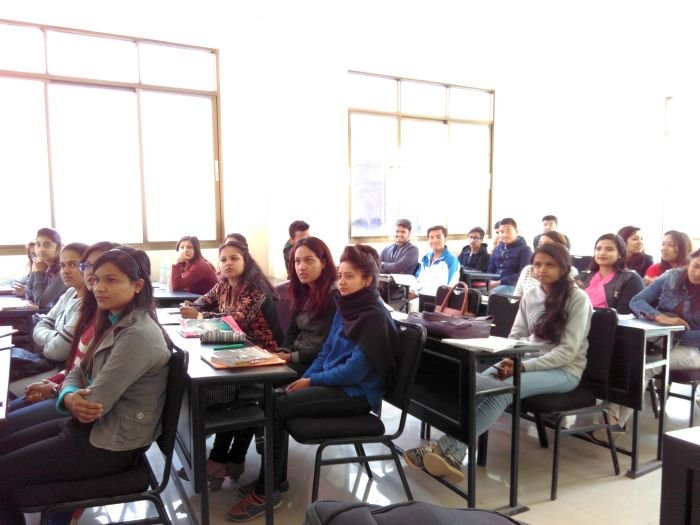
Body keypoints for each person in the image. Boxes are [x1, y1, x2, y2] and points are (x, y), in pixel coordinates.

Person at [226, 244, 399, 522]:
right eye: (340, 275)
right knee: (275, 399)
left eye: (350, 276)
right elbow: (326, 352)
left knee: (277, 406)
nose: (342, 282)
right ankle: (274, 481)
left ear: (367, 280)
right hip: (334, 383)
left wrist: (313, 380)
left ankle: (267, 490)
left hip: (356, 394)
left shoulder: (374, 316)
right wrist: (308, 378)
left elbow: (354, 372)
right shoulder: (346, 305)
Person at [0, 246, 171, 525]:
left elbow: (92, 404)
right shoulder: (112, 319)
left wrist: (69, 396)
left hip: (108, 444)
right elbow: (78, 370)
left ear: (138, 285)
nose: (99, 287)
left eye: (111, 280)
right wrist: (69, 393)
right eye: (97, 278)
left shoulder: (138, 334)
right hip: (87, 429)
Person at [404, 243, 593, 483]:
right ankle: (452, 454)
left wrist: (522, 366)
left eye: (550, 265)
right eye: (537, 264)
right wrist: (509, 359)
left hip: (564, 371)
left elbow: (567, 352)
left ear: (564, 268)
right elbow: (517, 335)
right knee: (477, 385)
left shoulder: (578, 299)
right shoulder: (532, 295)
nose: (542, 269)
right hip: (525, 361)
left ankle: (447, 447)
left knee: (501, 391)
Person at [180, 240, 282, 489]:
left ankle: (221, 460)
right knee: (218, 388)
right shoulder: (224, 284)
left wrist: (200, 316)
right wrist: (190, 307)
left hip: (261, 353)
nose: (228, 263)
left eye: (234, 258)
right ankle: (230, 460)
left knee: (225, 392)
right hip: (236, 348)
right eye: (223, 259)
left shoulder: (255, 287)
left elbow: (238, 320)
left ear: (246, 260)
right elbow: (203, 301)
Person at [595, 248, 700, 442]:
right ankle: (610, 418)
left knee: (646, 366)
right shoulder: (672, 277)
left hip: (692, 349)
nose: (698, 273)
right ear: (690, 261)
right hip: (660, 339)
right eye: (696, 266)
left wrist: (676, 331)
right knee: (624, 356)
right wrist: (659, 317)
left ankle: (614, 423)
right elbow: (637, 301)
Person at [278, 236, 338, 375]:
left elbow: (327, 345)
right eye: (297, 261)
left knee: (260, 380)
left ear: (323, 263)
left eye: (309, 260)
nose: (301, 267)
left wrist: (289, 357)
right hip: (296, 357)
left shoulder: (333, 296)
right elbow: (292, 331)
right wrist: (282, 351)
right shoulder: (304, 291)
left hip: (316, 364)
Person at [576, 233, 644, 314]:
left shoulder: (631, 278)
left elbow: (624, 311)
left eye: (609, 249)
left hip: (608, 320)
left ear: (620, 254)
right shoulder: (583, 276)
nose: (602, 253)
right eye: (598, 249)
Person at [513, 231, 576, 297]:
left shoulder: (569, 272)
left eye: (547, 244)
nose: (542, 247)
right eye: (539, 244)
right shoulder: (528, 270)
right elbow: (516, 297)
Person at [411, 225, 460, 299]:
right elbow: (419, 279)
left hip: (441, 300)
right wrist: (413, 291)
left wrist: (418, 295)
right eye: (431, 237)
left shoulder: (451, 259)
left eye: (438, 237)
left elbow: (445, 287)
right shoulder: (425, 258)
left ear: (445, 239)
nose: (435, 240)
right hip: (422, 297)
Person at [486, 218, 533, 295]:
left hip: (513, 286)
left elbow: (523, 275)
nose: (505, 235)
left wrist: (500, 282)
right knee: (474, 291)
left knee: (493, 294)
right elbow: (490, 269)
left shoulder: (525, 250)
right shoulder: (497, 249)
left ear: (516, 232)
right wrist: (489, 281)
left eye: (508, 231)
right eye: (501, 232)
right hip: (494, 284)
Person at [24, 227, 66, 309]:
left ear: (59, 248)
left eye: (47, 245)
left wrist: (39, 273)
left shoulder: (63, 272)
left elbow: (40, 302)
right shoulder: (41, 265)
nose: (41, 249)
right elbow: (28, 295)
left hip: (55, 316)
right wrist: (35, 272)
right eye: (38, 244)